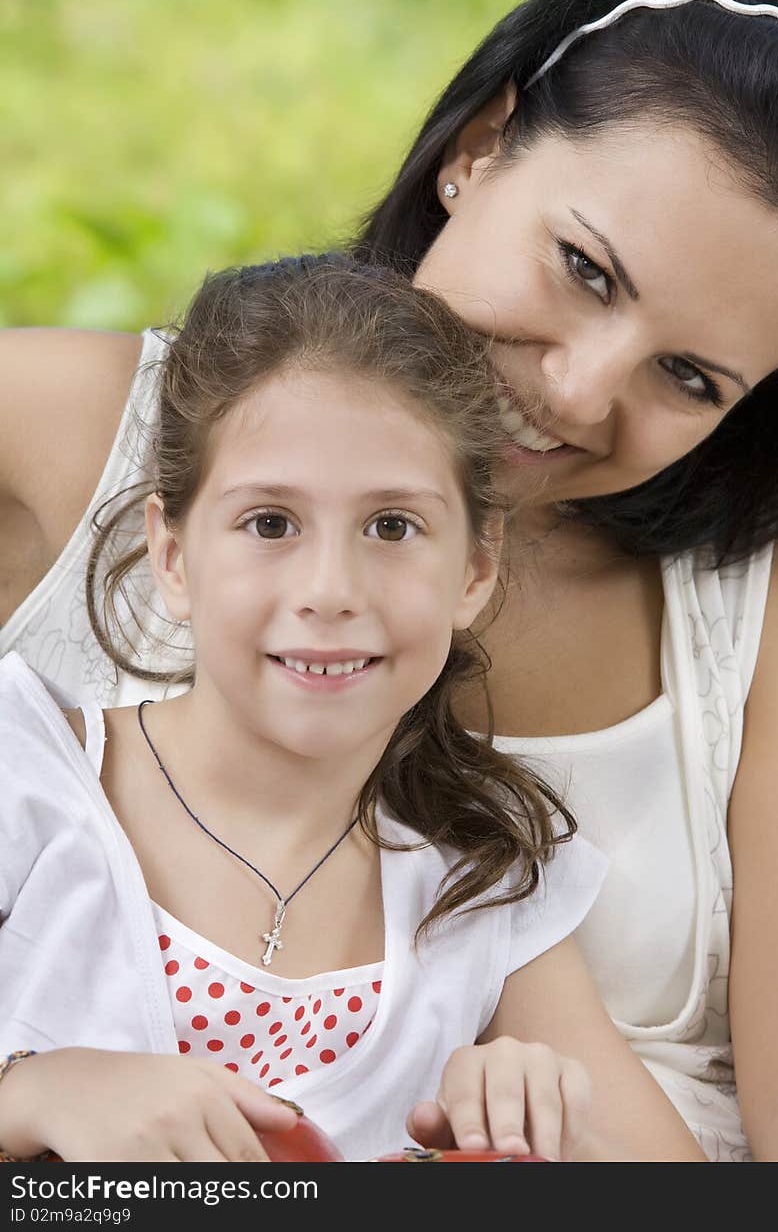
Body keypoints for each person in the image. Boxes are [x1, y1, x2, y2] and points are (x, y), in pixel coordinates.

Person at [1, 0, 778, 1161]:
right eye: (583, 269)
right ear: (477, 147)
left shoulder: (773, 601)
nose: (578, 394)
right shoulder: (91, 440)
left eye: (687, 376)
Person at [0, 257, 708, 1164]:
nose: (330, 591)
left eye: (391, 527)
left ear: (474, 569)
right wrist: (33, 1087)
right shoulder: (32, 784)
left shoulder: (481, 894)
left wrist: (537, 1112)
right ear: (172, 556)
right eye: (270, 524)